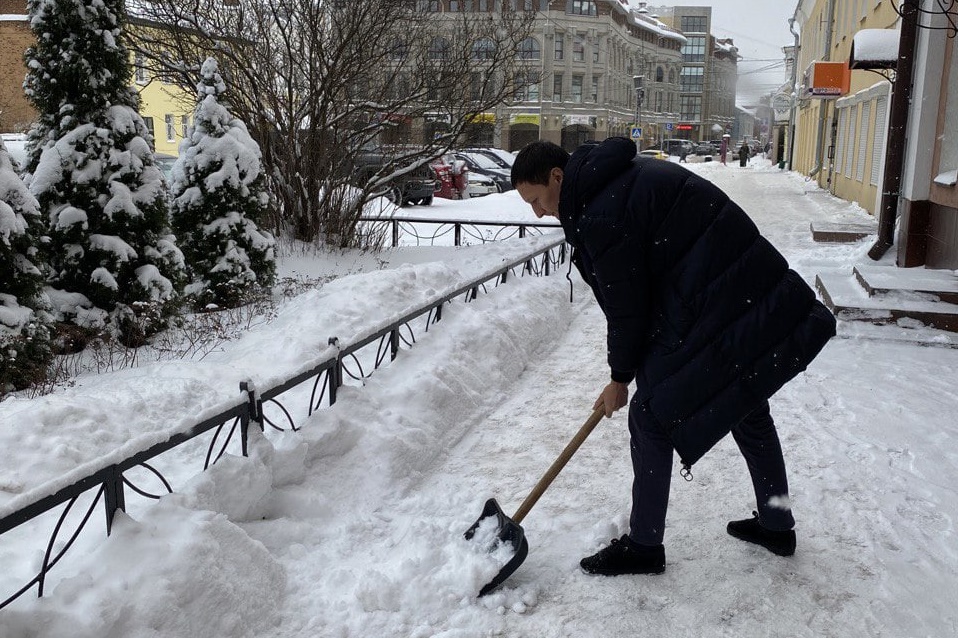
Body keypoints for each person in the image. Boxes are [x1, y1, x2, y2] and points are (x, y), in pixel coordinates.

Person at [510, 138, 835, 577]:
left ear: (557, 177)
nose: (538, 212)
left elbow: (628, 307)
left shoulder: (600, 213)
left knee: (651, 416)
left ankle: (644, 546)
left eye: (536, 200)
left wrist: (620, 378)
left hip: (719, 300)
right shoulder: (612, 179)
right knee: (748, 402)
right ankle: (777, 522)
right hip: (741, 290)